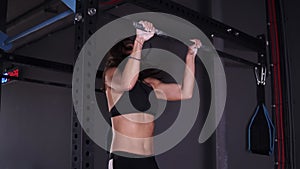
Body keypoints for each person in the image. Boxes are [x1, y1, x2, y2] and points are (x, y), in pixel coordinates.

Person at [103, 21, 201, 169]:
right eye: (131, 49)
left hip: (148, 160)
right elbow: (127, 83)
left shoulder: (149, 84)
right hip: (124, 159)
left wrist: (190, 56)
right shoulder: (111, 75)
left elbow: (185, 92)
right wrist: (140, 40)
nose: (136, 53)